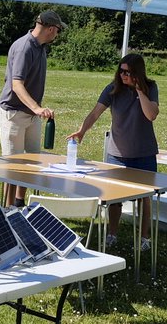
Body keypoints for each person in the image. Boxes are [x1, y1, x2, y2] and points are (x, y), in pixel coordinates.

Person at [66, 52, 159, 249]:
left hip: (144, 153)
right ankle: (112, 234)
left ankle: (144, 238)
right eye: (121, 71)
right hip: (117, 155)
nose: (123, 75)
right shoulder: (112, 89)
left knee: (145, 198)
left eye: (128, 72)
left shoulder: (150, 87)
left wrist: (139, 90)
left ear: (137, 73)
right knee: (114, 199)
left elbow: (151, 115)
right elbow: (95, 113)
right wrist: (82, 131)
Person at [0, 9, 65, 206]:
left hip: (31, 114)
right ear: (51, 29)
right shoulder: (24, 47)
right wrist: (36, 108)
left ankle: (19, 203)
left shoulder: (41, 47)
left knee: (32, 161)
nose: (57, 34)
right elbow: (16, 85)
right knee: (13, 166)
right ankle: (8, 208)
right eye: (58, 30)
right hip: (13, 113)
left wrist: (35, 110)